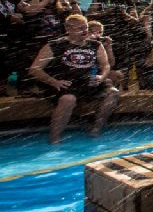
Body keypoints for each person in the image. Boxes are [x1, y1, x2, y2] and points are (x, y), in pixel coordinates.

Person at [28, 14, 119, 143]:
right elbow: (35, 69)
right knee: (68, 99)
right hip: (64, 83)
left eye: (86, 27)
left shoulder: (96, 45)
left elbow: (106, 65)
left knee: (113, 93)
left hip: (88, 82)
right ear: (68, 29)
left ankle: (96, 129)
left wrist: (102, 76)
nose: (85, 31)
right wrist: (53, 81)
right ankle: (54, 139)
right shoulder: (55, 45)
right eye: (80, 28)